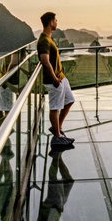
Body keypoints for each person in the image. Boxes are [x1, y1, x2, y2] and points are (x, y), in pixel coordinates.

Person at [37, 12, 75, 147]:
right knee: (55, 107)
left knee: (70, 100)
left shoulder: (49, 38)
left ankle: (56, 127)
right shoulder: (44, 41)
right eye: (55, 20)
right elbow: (45, 61)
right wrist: (54, 78)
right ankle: (57, 137)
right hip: (54, 80)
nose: (57, 23)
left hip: (61, 77)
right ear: (51, 22)